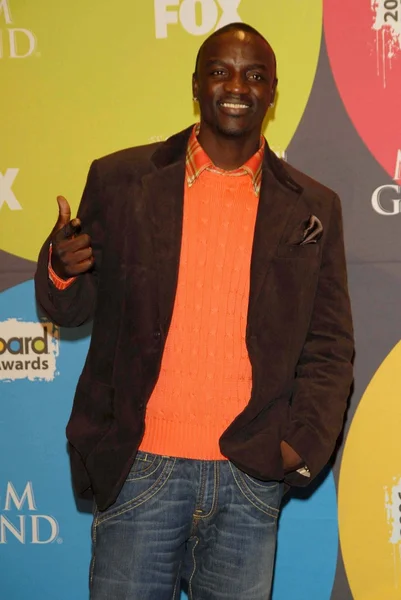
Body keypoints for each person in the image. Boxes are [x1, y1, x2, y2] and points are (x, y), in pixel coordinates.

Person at [35, 22, 354, 600]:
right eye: (221, 71)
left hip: (249, 477)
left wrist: (297, 446)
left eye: (255, 75)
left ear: (274, 92)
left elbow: (329, 345)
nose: (237, 85)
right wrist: (61, 266)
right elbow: (74, 306)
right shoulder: (120, 180)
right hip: (141, 468)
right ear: (196, 84)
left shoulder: (314, 207)